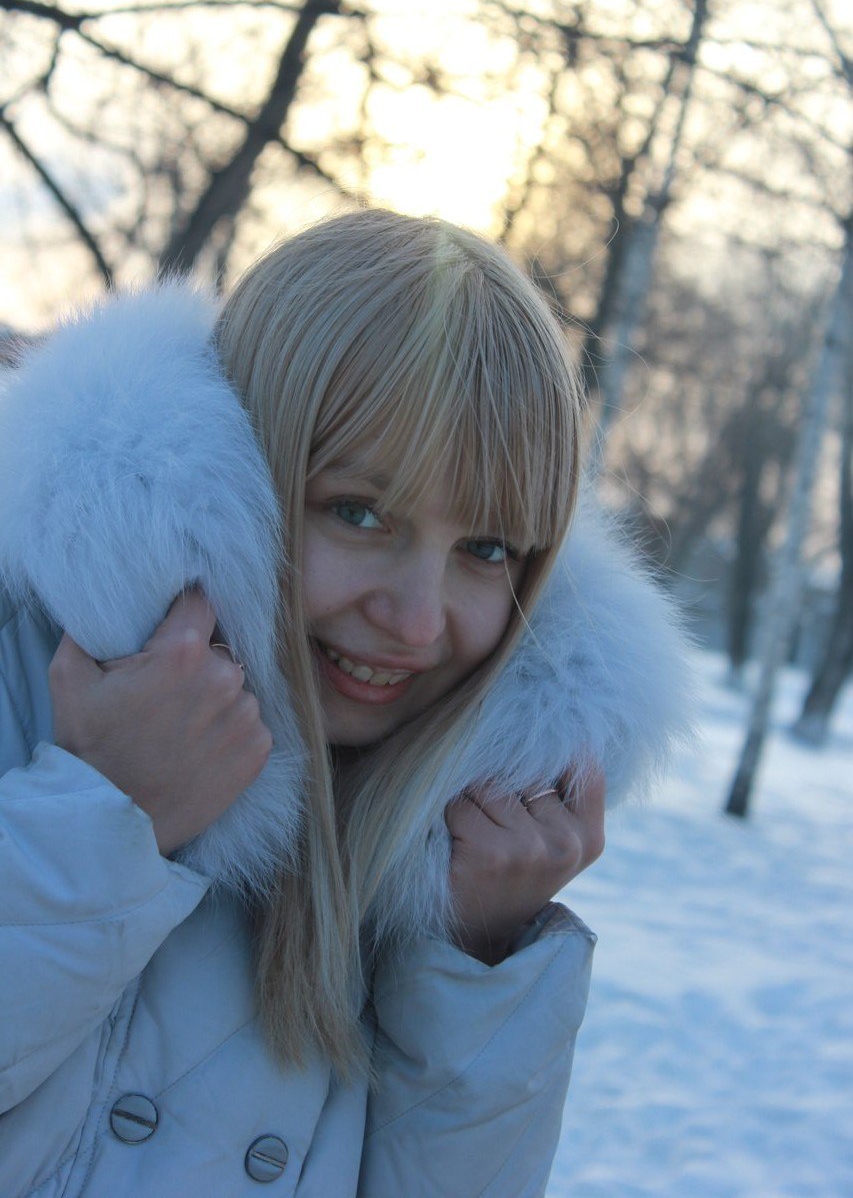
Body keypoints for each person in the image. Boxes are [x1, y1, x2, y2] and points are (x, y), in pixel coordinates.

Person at [0, 209, 692, 1197]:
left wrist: (469, 961)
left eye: (486, 548)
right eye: (359, 512)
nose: (416, 619)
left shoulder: (442, 839)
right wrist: (100, 821)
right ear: (244, 465)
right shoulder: (26, 666)